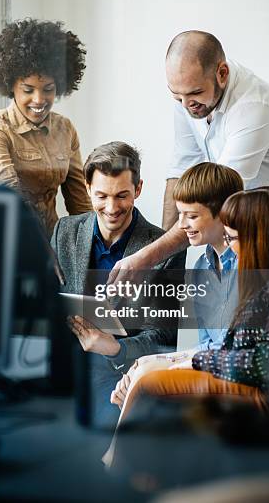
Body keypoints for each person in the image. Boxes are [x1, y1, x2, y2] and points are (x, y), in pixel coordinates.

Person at [109, 30, 269, 280]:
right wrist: (163, 259)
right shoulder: (189, 97)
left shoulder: (255, 107)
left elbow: (216, 199)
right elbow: (180, 169)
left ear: (222, 73)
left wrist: (146, 257)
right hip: (242, 219)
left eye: (194, 94)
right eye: (176, 96)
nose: (185, 105)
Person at [112, 187, 269, 422]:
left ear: (259, 239)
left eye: (233, 238)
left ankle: (118, 458)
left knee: (149, 384)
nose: (230, 247)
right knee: (146, 378)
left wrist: (199, 362)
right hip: (266, 387)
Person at [50, 141, 185, 426]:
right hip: (67, 375)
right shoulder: (65, 231)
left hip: (123, 377)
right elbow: (51, 305)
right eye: (101, 195)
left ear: (138, 189)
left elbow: (164, 338)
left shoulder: (163, 249)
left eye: (122, 195)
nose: (111, 208)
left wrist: (114, 348)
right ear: (87, 188)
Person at [111, 161, 244, 408]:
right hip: (209, 362)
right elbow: (206, 344)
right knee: (139, 369)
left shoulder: (247, 266)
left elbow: (233, 351)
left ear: (224, 213)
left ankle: (118, 448)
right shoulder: (200, 269)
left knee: (144, 379)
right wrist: (150, 362)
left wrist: (165, 365)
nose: (181, 225)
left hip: (233, 370)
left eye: (191, 216)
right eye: (180, 214)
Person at [0, 18, 92, 238]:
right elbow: (9, 196)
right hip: (7, 240)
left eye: (48, 89)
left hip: (52, 242)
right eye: (28, 90)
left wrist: (93, 246)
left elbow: (80, 204)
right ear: (11, 86)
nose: (39, 99)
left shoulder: (65, 129)